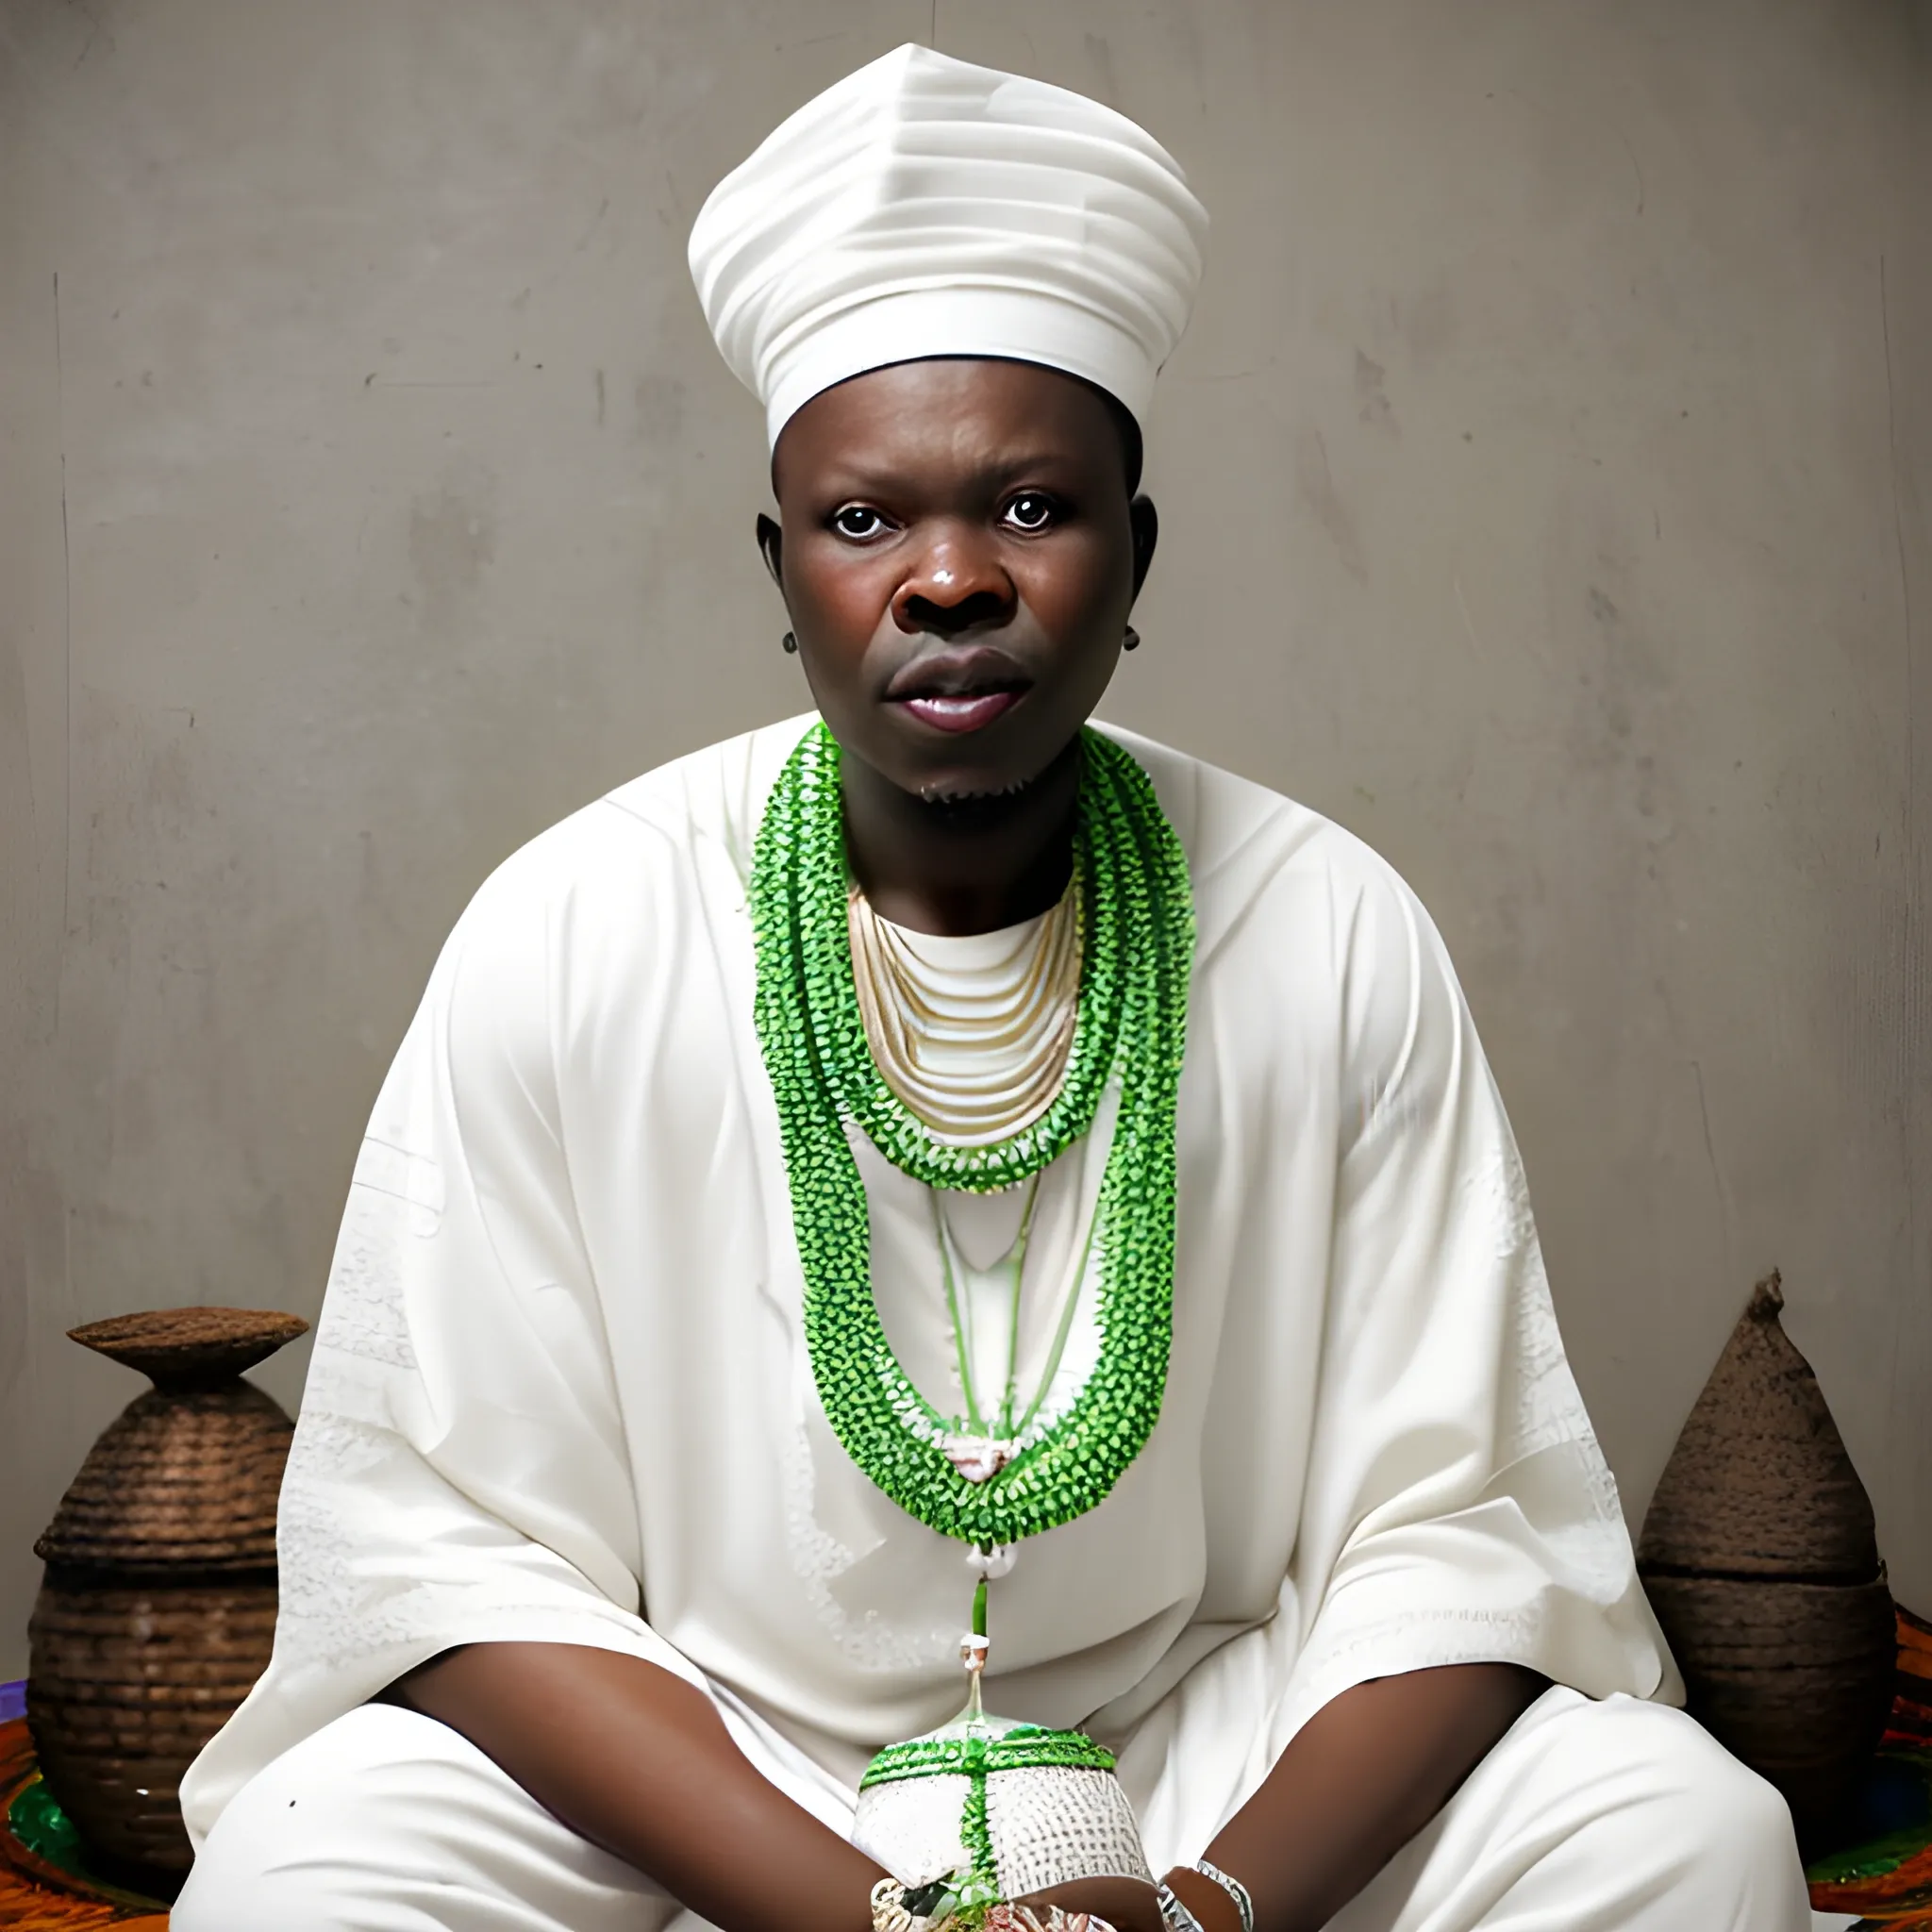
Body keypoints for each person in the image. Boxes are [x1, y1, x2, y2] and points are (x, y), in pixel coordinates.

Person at [171, 42, 1813, 1932]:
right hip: (717, 1759)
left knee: (1686, 1841)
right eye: (867, 523)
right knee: (301, 1883)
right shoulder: (577, 926)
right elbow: (447, 1557)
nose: (949, 577)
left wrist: (1208, 1908)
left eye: (1030, 507)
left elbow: (1458, 1533)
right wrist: (850, 1915)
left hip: (1209, 1743)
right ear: (780, 576)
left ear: (1137, 558)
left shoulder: (1329, 924)